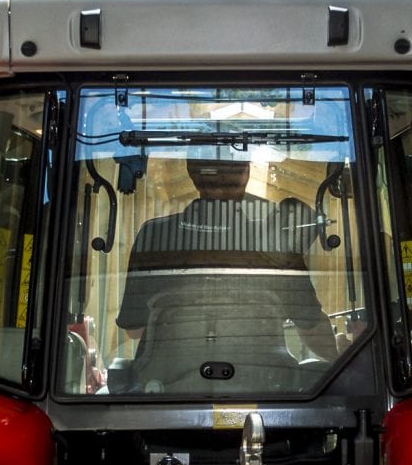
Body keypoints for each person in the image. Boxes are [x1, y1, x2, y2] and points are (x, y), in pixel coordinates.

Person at [116, 157, 338, 386]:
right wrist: (341, 357)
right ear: (245, 174)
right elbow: (310, 327)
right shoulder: (276, 242)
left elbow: (135, 329)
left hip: (164, 394)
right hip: (268, 392)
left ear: (192, 174)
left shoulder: (154, 235)